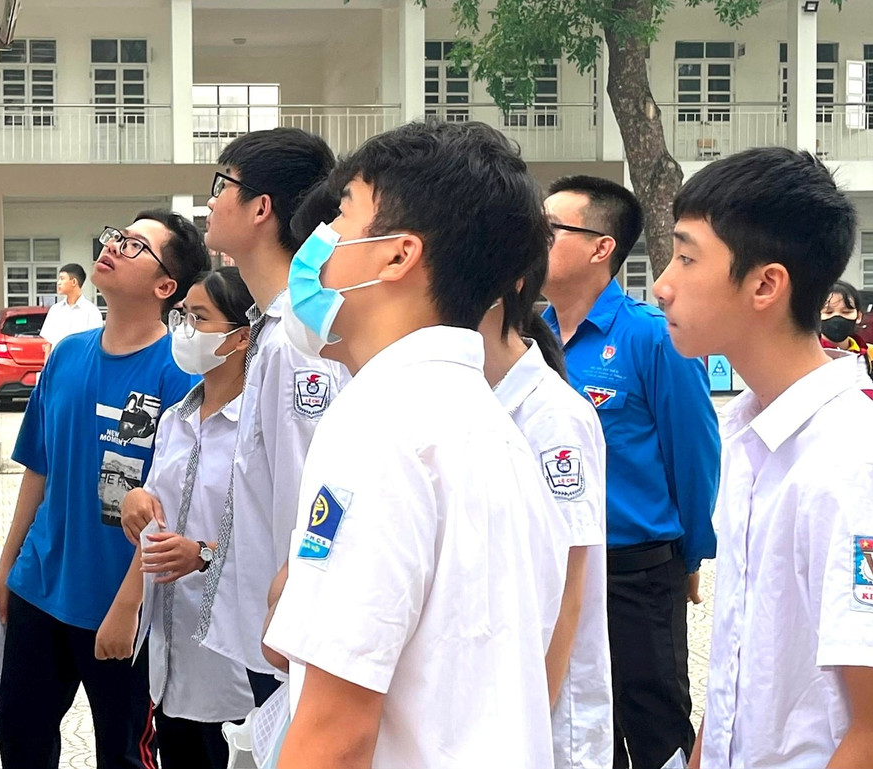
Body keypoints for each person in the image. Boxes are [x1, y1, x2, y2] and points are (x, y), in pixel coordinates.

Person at [262, 119, 569, 769]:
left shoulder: (380, 424)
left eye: (343, 214)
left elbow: (336, 731)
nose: (319, 244)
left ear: (398, 255)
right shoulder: (496, 433)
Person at [653, 146, 873, 769]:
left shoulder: (842, 461)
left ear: (765, 285)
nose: (663, 285)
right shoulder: (755, 436)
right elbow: (736, 669)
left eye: (686, 258)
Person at [0, 211, 209, 769]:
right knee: (20, 736)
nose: (113, 247)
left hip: (123, 607)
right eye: (117, 237)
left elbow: (175, 506)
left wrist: (128, 606)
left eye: (135, 246)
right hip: (39, 587)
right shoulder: (66, 354)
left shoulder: (179, 375)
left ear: (166, 287)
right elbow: (37, 472)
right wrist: (6, 570)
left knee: (124, 754)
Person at [542, 175, 721, 769]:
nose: (532, 240)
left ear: (601, 247)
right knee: (577, 720)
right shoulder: (529, 339)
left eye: (550, 230)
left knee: (653, 722)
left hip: (635, 571)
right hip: (556, 566)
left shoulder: (650, 336)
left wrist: (689, 556)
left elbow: (694, 453)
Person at [191, 127, 346, 707]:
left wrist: (295, 608)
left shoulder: (295, 343)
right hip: (268, 623)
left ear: (261, 208)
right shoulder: (270, 329)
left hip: (291, 633)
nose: (210, 201)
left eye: (222, 185)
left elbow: (311, 493)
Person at [109, 268, 256, 769]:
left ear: (242, 337)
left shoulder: (258, 429)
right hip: (170, 660)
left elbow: (274, 536)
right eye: (182, 316)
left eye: (200, 318)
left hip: (231, 671)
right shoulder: (176, 419)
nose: (185, 330)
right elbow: (157, 505)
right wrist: (136, 500)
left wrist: (205, 555)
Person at [478, 250, 612, 769]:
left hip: (548, 722)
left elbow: (568, 594)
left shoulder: (554, 418)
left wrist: (526, 729)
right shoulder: (474, 400)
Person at [819, 280, 873, 435]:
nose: (837, 318)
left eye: (846, 312)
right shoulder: (804, 359)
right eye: (828, 312)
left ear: (858, 316)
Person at [40, 262, 104, 346]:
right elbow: (48, 344)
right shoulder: (55, 310)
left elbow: (95, 343)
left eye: (62, 279)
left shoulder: (91, 311)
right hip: (59, 355)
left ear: (74, 282)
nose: (58, 283)